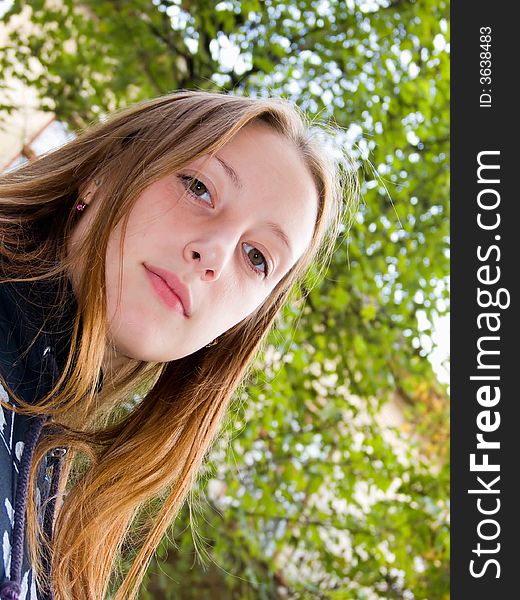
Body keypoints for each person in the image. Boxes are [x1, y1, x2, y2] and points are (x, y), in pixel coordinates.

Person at [0, 90, 357, 600]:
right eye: (198, 187)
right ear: (107, 170)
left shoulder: (55, 491)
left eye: (257, 257)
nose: (212, 254)